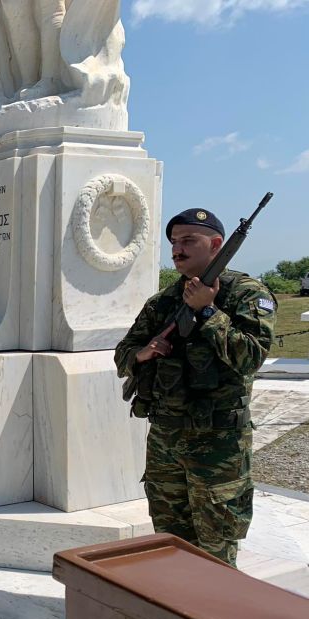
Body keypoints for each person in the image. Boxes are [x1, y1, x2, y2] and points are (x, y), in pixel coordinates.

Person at [114, 208, 276, 567]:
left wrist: (208, 312)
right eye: (174, 242)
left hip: (217, 444)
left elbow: (250, 356)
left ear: (216, 244)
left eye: (188, 241)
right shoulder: (164, 301)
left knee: (215, 547)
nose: (177, 249)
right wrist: (142, 354)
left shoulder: (246, 294)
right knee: (169, 543)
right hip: (166, 440)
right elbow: (123, 352)